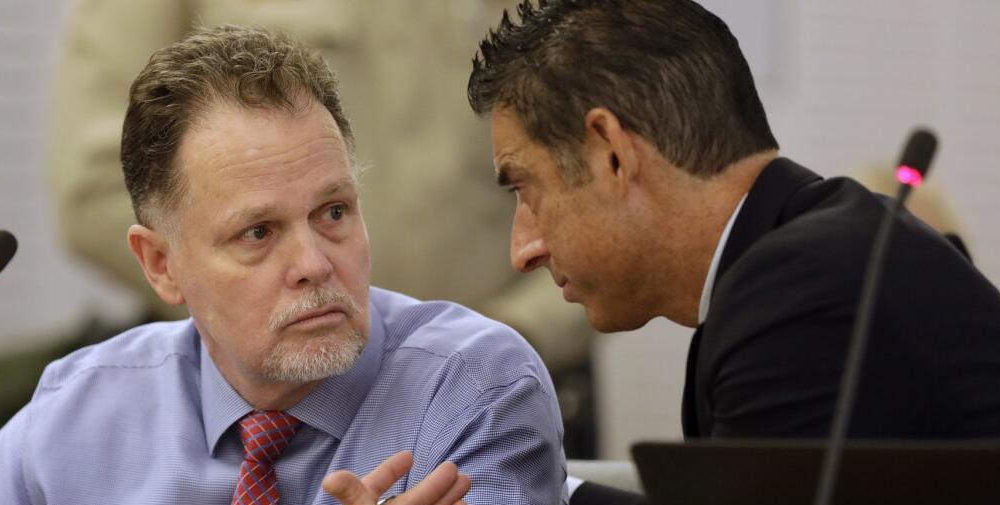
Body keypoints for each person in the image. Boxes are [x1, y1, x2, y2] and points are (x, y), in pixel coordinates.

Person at [322, 1, 1000, 505]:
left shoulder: (806, 289)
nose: (524, 249)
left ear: (612, 153)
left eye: (524, 189)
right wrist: (506, 474)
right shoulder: (794, 264)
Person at [0, 25, 572, 505]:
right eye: (259, 232)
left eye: (335, 212)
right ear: (161, 264)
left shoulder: (473, 386)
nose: (315, 263)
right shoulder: (85, 403)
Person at [49, 0, 600, 459]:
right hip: (275, 404)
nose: (313, 261)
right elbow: (96, 189)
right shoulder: (70, 413)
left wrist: (517, 333)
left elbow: (608, 169)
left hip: (516, 380)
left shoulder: (500, 366)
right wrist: (269, 344)